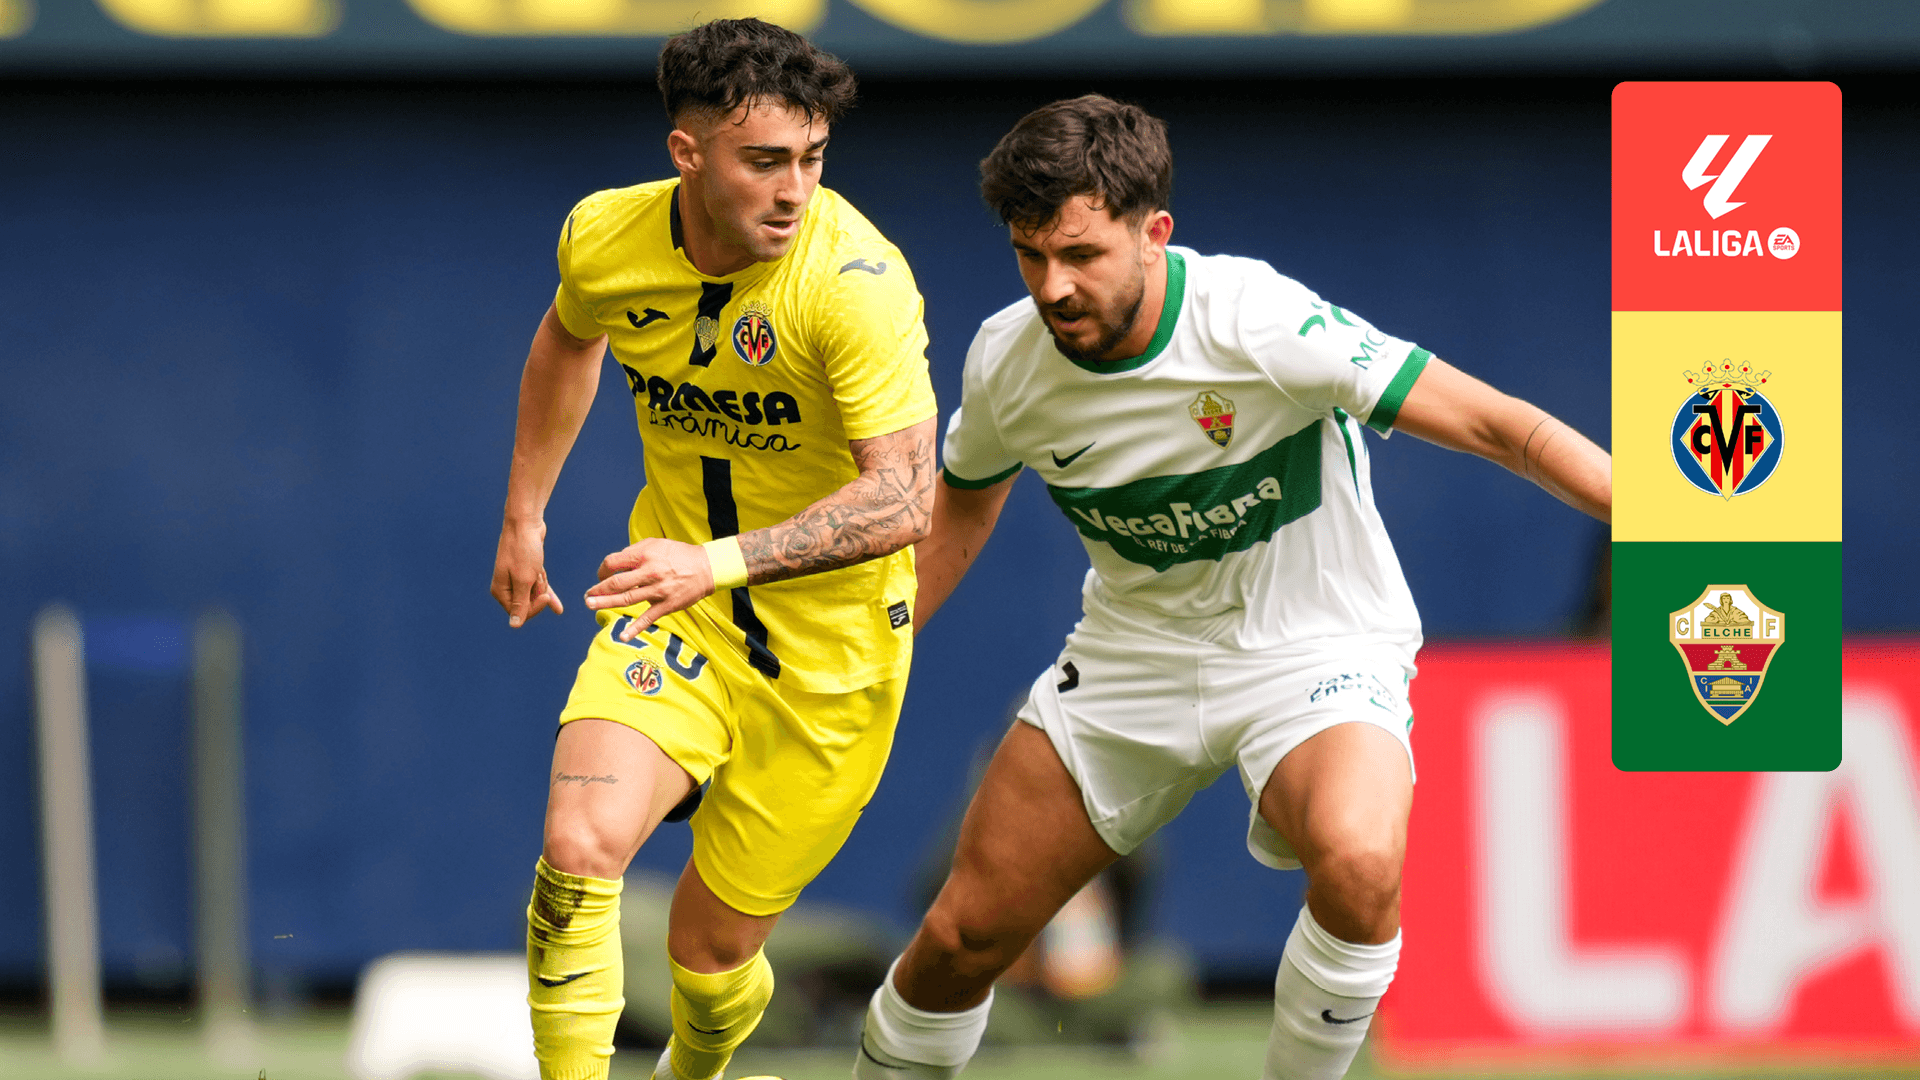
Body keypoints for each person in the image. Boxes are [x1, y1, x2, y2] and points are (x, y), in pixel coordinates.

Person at [851, 95, 1610, 1080]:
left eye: (1081, 254)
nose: (1053, 287)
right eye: (1030, 256)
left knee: (1360, 861)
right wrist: (871, 649)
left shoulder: (1259, 321)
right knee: (961, 939)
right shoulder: (1008, 359)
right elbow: (959, 511)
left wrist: (1664, 512)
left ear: (1154, 232)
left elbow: (1497, 424)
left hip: (1316, 644)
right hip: (1134, 656)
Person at [488, 19, 937, 1080]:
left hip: (829, 662)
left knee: (708, 952)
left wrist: (717, 561)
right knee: (578, 849)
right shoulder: (606, 235)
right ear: (687, 154)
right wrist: (524, 513)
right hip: (676, 615)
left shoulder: (855, 280)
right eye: (765, 161)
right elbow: (570, 336)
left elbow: (906, 498)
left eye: (812, 158)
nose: (796, 190)